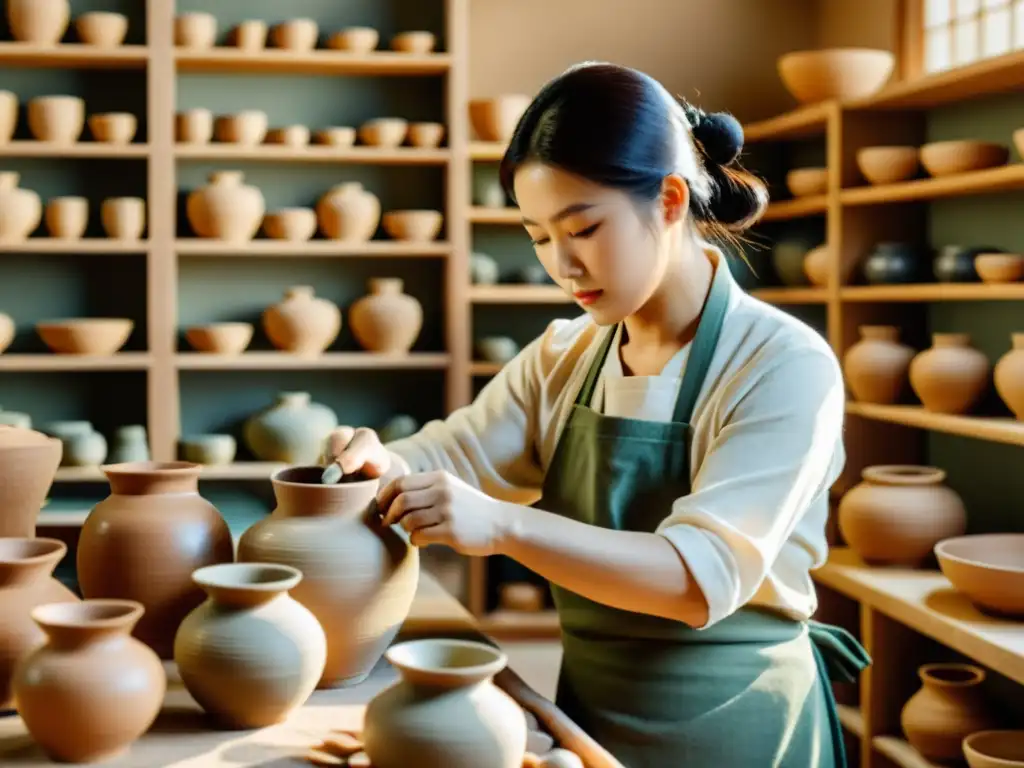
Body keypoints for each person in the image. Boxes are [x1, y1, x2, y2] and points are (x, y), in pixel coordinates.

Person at [328, 61, 870, 767]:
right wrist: (381, 463)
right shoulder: (565, 355)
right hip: (586, 722)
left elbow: (696, 578)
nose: (563, 265)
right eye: (537, 236)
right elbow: (454, 459)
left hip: (739, 728)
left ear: (671, 200)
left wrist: (503, 526)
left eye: (582, 227)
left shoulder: (782, 365)